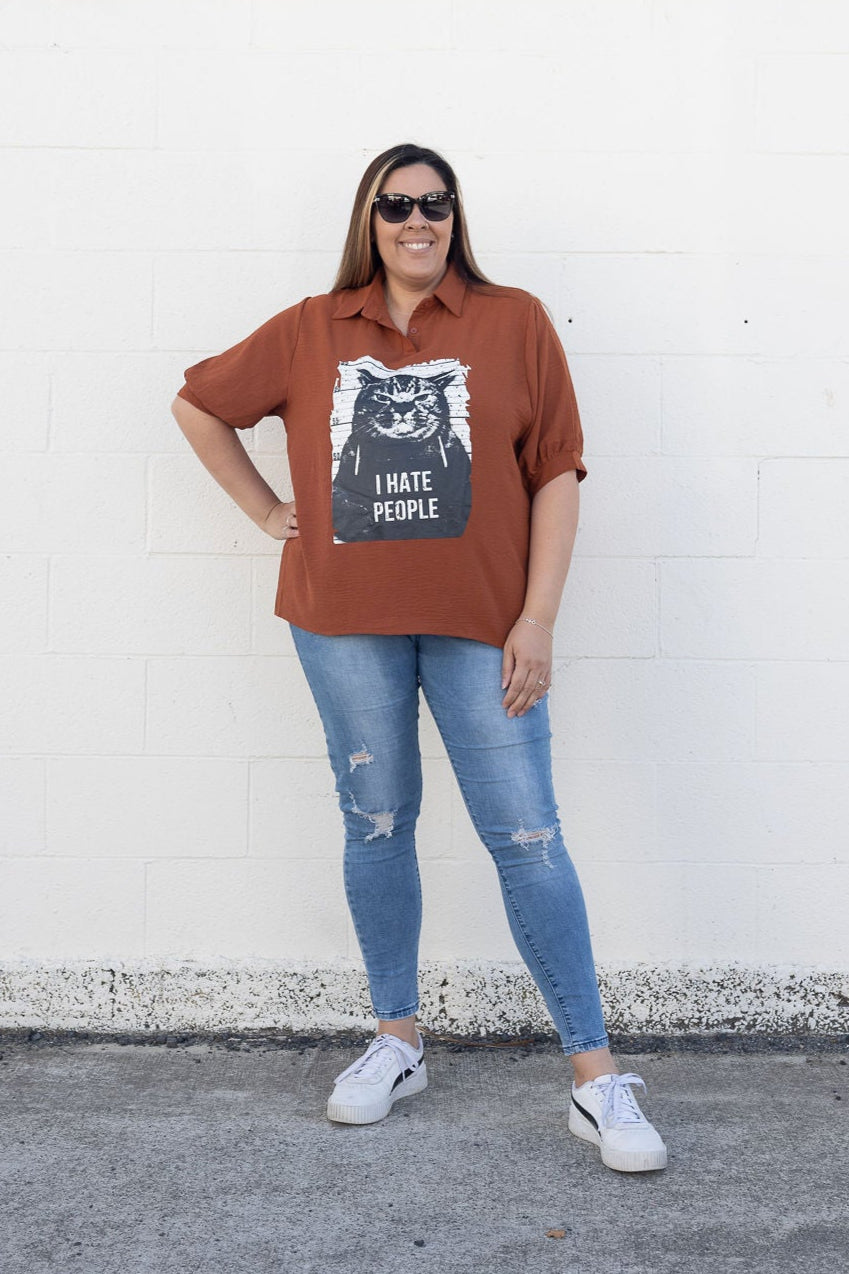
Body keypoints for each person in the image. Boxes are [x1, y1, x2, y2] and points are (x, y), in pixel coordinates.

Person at [171, 142, 667, 1173]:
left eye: (434, 203)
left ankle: (595, 1076)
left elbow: (556, 470)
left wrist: (537, 617)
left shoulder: (514, 320)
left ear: (455, 217)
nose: (416, 220)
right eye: (396, 205)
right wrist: (266, 511)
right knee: (377, 822)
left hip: (483, 623)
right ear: (370, 218)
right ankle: (396, 1041)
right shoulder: (312, 327)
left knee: (527, 835)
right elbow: (198, 403)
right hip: (343, 621)